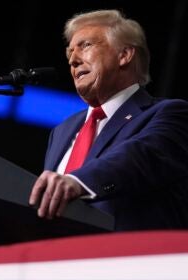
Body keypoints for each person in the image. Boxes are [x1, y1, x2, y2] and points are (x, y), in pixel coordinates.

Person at [29, 9, 188, 231]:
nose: (73, 60)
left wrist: (78, 182)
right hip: (56, 258)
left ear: (124, 55)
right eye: (70, 53)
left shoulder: (170, 114)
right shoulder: (61, 131)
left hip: (127, 259)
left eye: (85, 45)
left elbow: (139, 156)